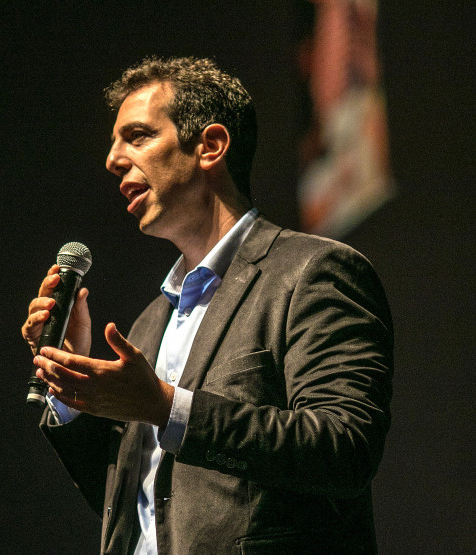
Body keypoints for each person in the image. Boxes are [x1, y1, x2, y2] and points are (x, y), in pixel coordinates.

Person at [21, 57, 393, 554]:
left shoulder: (311, 273)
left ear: (210, 146)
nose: (113, 159)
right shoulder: (153, 321)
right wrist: (71, 395)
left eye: (137, 136)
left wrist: (166, 406)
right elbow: (144, 504)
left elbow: (342, 449)